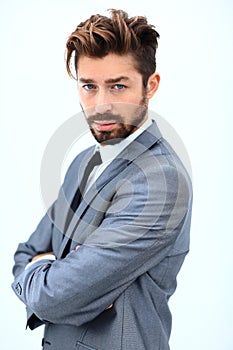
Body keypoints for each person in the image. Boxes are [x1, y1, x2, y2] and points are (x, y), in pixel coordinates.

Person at [12, 9, 192, 350]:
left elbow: (53, 298)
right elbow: (28, 252)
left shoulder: (161, 182)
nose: (101, 105)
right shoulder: (83, 163)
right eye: (89, 86)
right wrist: (62, 277)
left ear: (150, 86)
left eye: (118, 86)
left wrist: (58, 280)